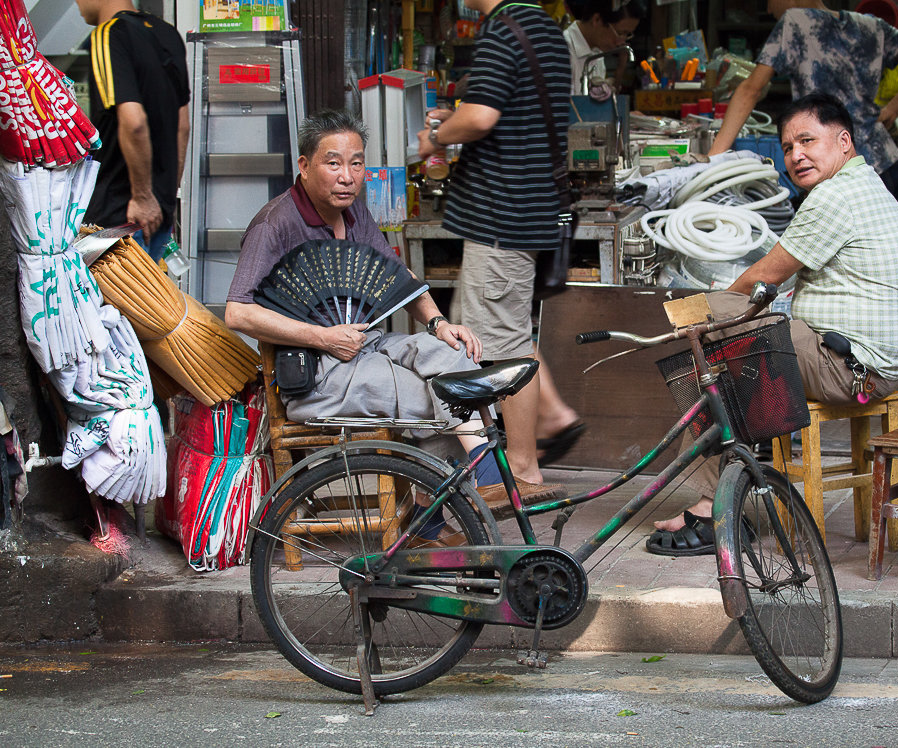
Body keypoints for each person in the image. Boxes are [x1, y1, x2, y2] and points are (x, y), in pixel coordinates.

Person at [226, 110, 564, 514]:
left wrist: (439, 323)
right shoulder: (274, 224)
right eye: (333, 163)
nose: (347, 176)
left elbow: (398, 275)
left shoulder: (353, 212)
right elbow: (238, 312)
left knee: (452, 357)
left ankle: (465, 499)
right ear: (304, 165)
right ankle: (471, 495)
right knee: (437, 398)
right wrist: (323, 337)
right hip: (317, 372)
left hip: (367, 347)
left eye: (356, 163)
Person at [648, 93, 898, 556]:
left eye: (808, 141)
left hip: (849, 368)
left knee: (710, 333)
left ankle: (714, 504)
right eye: (789, 146)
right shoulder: (862, 185)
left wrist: (710, 314)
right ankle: (726, 485)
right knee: (727, 345)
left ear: (843, 141)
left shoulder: (836, 195)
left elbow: (763, 276)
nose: (796, 155)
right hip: (860, 361)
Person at [417, 0, 584, 489]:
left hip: (502, 219)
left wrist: (436, 134)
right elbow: (512, 112)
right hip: (523, 211)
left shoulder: (501, 30)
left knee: (502, 347)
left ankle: (523, 463)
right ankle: (545, 420)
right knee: (502, 332)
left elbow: (483, 117)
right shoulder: (543, 27)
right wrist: (460, 115)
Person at [708, 0, 898, 202]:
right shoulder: (869, 25)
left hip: (832, 171)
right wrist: (892, 109)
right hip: (882, 163)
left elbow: (751, 88)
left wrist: (712, 161)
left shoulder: (795, 21)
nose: (769, 9)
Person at [78, 0, 190, 262]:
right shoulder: (167, 33)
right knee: (148, 302)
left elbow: (134, 121)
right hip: (157, 213)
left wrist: (143, 197)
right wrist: (162, 200)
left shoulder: (109, 34)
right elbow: (182, 126)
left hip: (121, 215)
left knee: (113, 303)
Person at [563, 0, 644, 96]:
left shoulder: (597, 54)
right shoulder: (563, 51)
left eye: (628, 35)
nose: (622, 42)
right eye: (620, 33)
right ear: (596, 20)